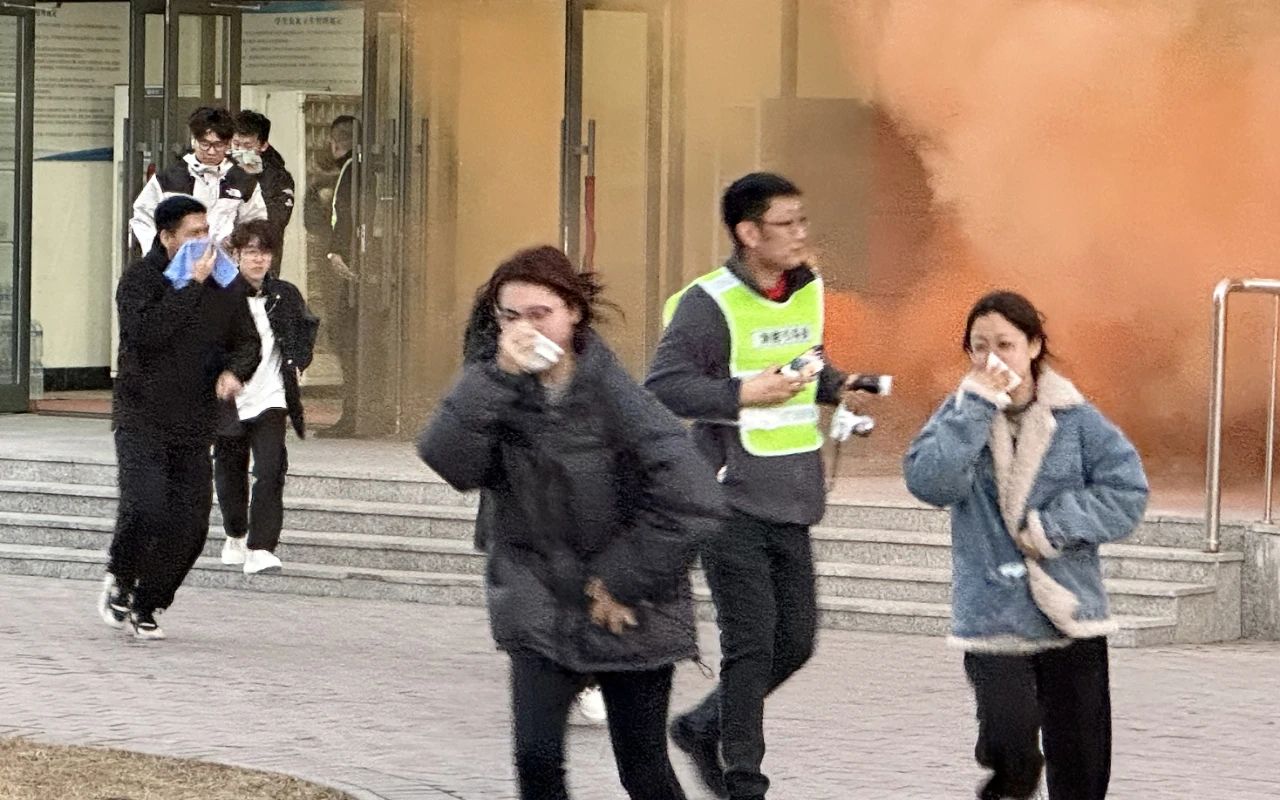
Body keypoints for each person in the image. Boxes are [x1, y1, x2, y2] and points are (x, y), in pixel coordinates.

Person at [418, 245, 724, 800]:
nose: (525, 329)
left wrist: (621, 581)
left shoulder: (616, 395)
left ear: (574, 313)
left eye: (541, 314)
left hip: (629, 605)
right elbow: (448, 459)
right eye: (510, 316)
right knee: (536, 761)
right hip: (538, 595)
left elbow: (695, 496)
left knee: (643, 770)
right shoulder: (496, 389)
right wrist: (495, 378)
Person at [646, 172, 871, 800]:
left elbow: (806, 362)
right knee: (750, 646)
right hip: (728, 497)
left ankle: (701, 727)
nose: (800, 233)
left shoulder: (807, 288)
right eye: (786, 223)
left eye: (803, 220)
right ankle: (746, 783)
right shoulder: (708, 303)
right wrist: (741, 393)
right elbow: (663, 387)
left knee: (794, 643)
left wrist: (838, 386)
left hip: (792, 493)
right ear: (749, 233)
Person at [903, 291, 1149, 800]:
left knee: (1082, 766)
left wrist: (1052, 527)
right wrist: (974, 409)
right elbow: (930, 482)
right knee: (1011, 749)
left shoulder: (1078, 421)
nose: (992, 358)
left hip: (1068, 610)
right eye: (979, 346)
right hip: (994, 612)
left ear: (1034, 346)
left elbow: (1127, 492)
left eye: (1005, 344)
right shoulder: (959, 415)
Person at [100, 196, 261, 640]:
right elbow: (145, 335)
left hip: (194, 420)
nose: (203, 240)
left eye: (206, 231)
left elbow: (247, 341)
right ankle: (122, 576)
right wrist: (189, 285)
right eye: (193, 233)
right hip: (142, 415)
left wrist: (235, 371)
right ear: (167, 237)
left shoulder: (223, 281)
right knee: (145, 505)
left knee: (191, 525)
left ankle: (149, 601)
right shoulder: (140, 279)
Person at [215, 220, 319, 576]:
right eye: (251, 252)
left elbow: (306, 329)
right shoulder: (219, 295)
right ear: (236, 255)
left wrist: (298, 362)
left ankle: (261, 547)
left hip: (271, 396)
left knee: (271, 469)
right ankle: (235, 533)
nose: (258, 260)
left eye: (264, 253)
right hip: (230, 399)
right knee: (230, 470)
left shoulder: (285, 295)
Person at [130, 106, 268, 253]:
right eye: (205, 144)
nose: (211, 151)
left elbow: (255, 223)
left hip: (224, 260)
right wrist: (158, 253)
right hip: (177, 260)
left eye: (218, 145)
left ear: (228, 144)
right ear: (193, 140)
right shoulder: (168, 179)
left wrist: (236, 244)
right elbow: (143, 217)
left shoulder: (243, 181)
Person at [320, 114, 359, 436]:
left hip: (351, 267)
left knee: (345, 335)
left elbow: (343, 213)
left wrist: (337, 250)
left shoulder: (350, 168)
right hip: (359, 265)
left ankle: (353, 412)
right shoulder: (361, 166)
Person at [232, 110, 296, 271]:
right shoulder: (223, 170)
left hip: (261, 261)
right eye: (236, 144)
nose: (240, 151)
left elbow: (275, 221)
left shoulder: (278, 178)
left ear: (263, 145)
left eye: (248, 146)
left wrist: (254, 179)